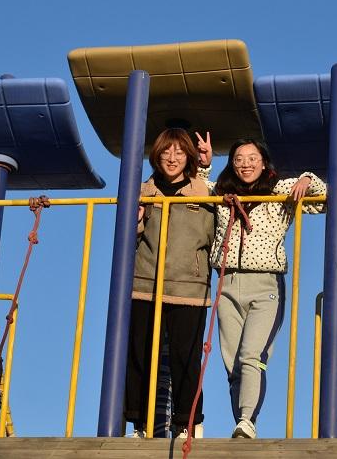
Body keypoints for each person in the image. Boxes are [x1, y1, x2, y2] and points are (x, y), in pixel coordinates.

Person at [207, 139, 326, 439]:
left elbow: (322, 198)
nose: (245, 164)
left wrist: (307, 179)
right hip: (227, 283)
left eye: (252, 158)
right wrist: (203, 165)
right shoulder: (221, 193)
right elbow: (194, 188)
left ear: (263, 162)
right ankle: (241, 422)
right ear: (232, 164)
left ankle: (248, 419)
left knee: (251, 354)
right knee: (232, 362)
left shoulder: (278, 191)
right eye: (238, 159)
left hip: (266, 284)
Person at [125, 128, 214, 439]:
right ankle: (140, 423)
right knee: (140, 354)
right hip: (145, 283)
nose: (172, 158)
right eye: (166, 151)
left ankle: (187, 424)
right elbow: (130, 238)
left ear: (189, 157)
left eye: (179, 152)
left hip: (189, 286)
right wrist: (136, 221)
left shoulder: (204, 191)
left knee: (185, 357)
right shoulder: (143, 191)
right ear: (156, 155)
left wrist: (206, 165)